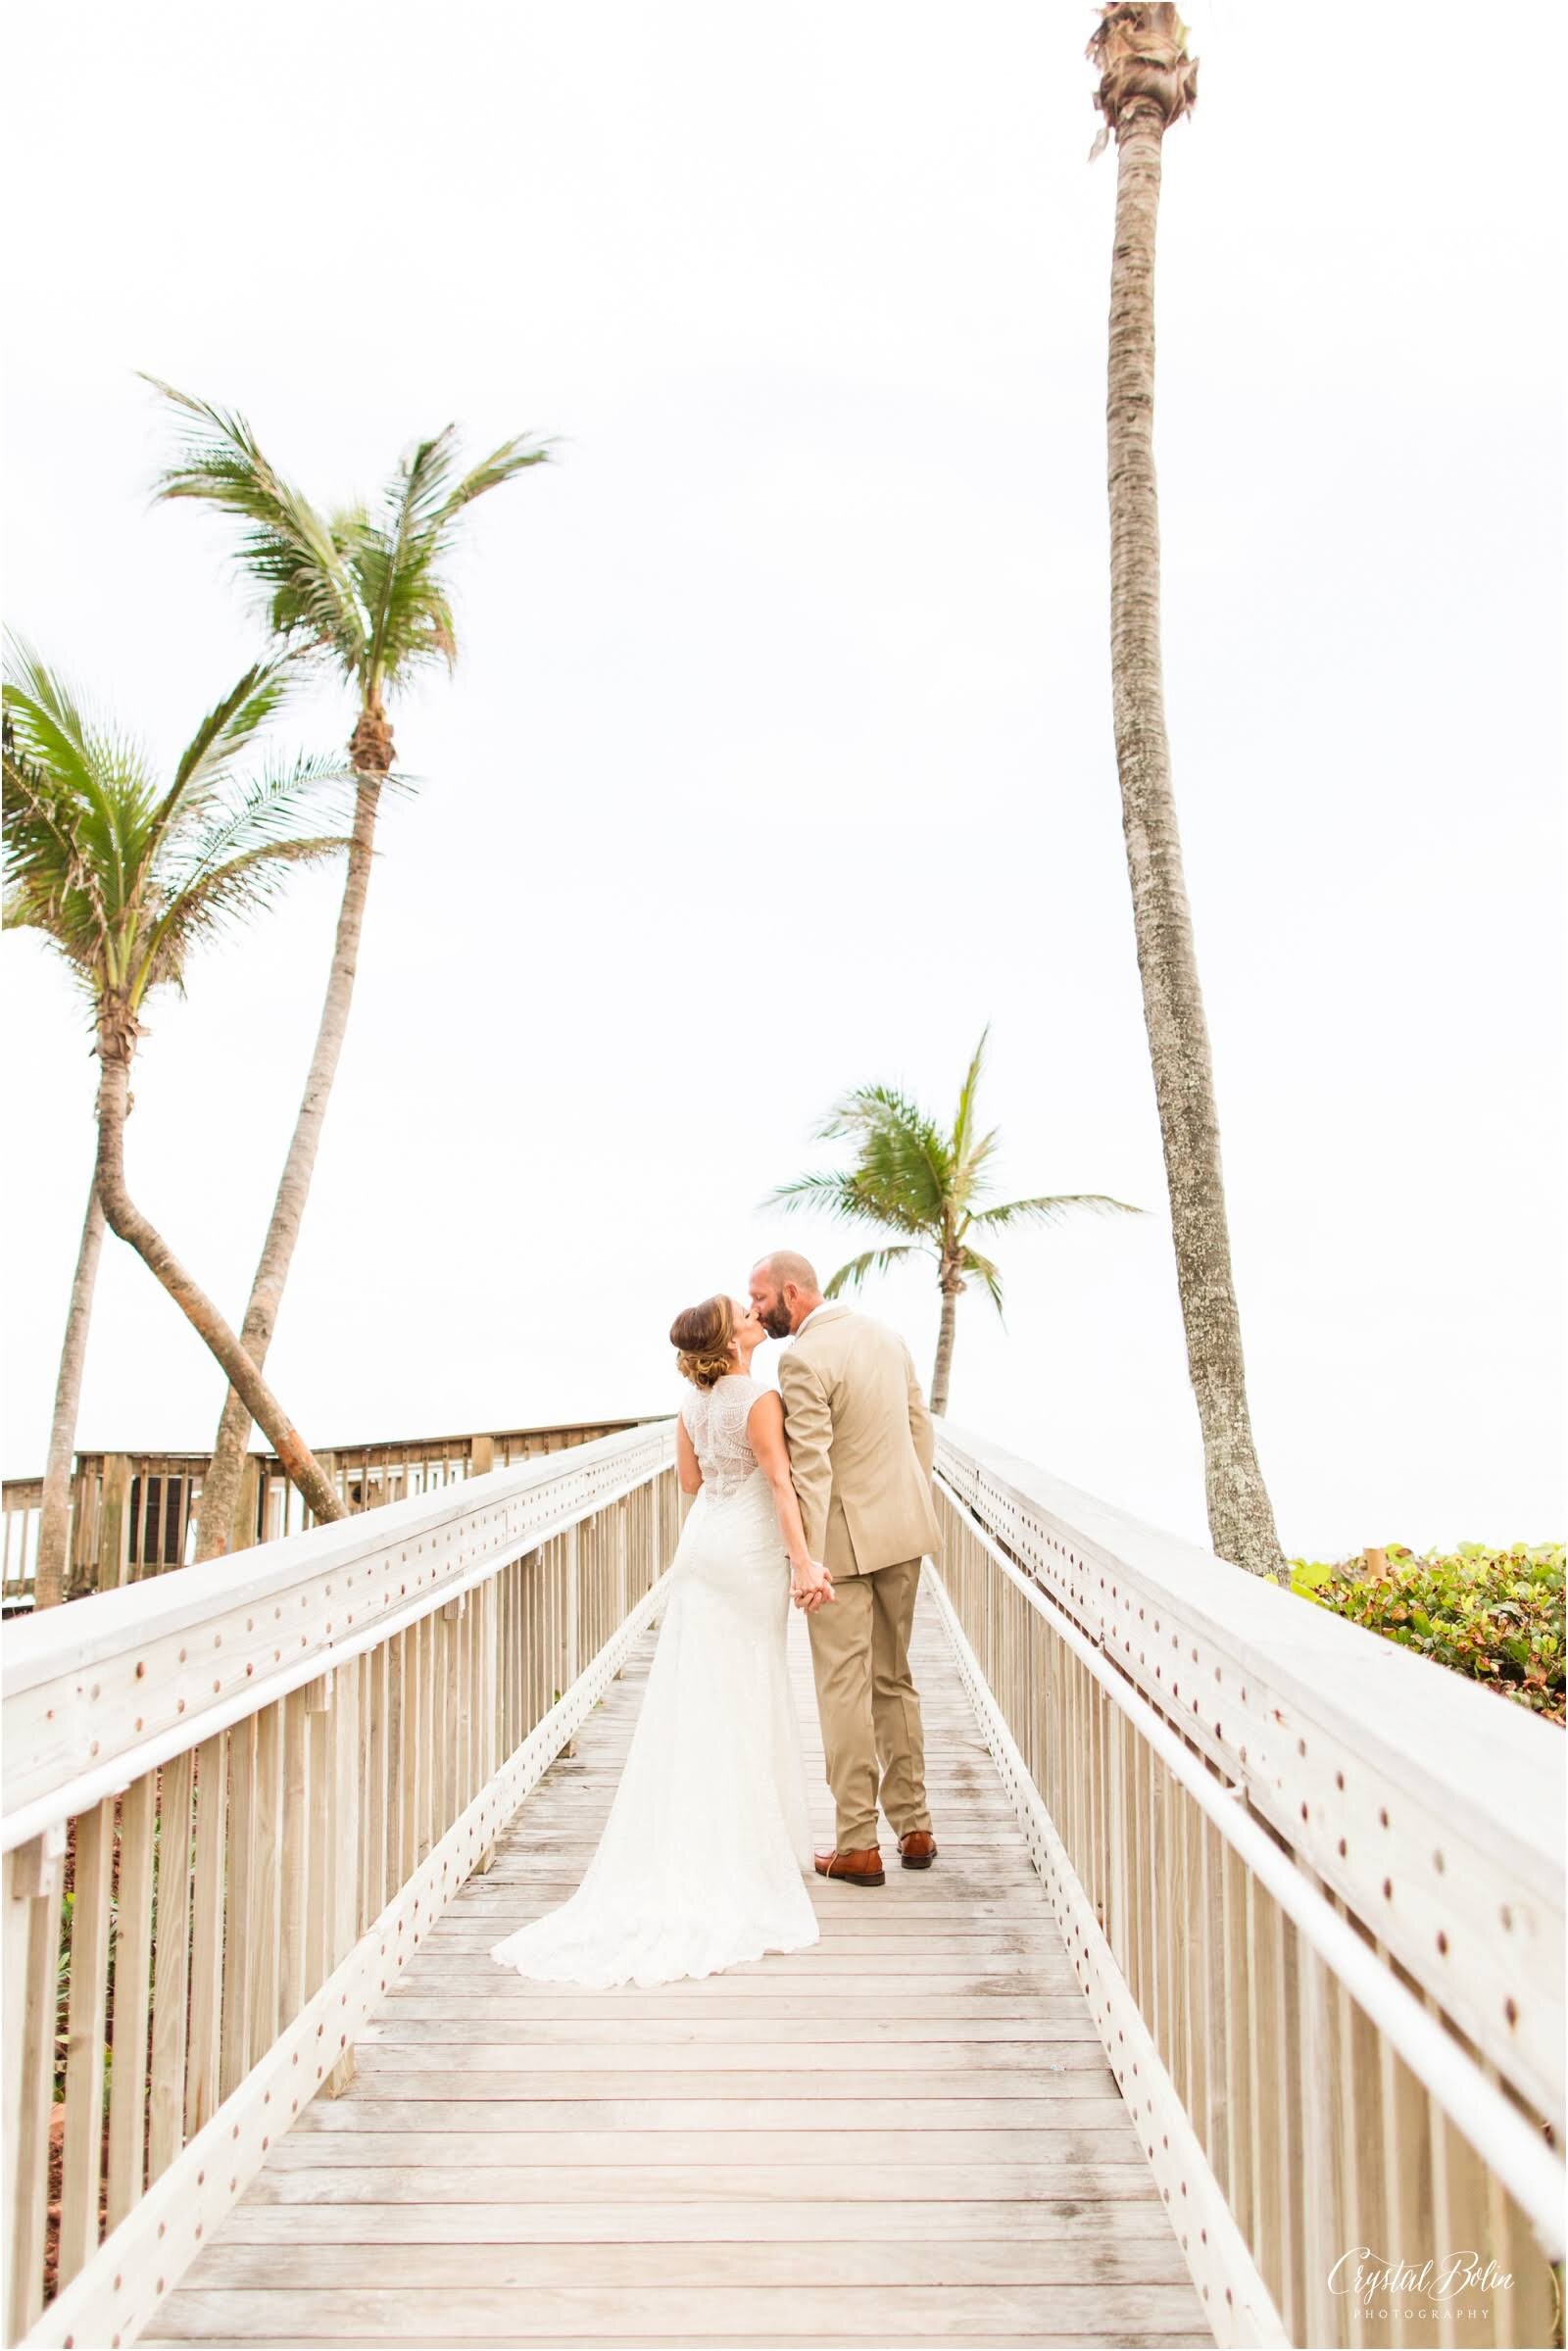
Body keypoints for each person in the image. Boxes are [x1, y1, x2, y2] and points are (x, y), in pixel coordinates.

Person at [491, 1293, 828, 1987]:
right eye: (741, 1312)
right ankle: (742, 1851)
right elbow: (781, 1482)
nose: (750, 1317)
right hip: (748, 1554)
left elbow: (690, 1480)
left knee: (701, 1698)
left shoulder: (690, 1407)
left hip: (702, 1546)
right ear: (729, 1339)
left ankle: (702, 1839)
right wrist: (804, 1563)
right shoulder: (759, 1401)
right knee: (749, 1690)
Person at [750, 1249, 943, 1889]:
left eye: (761, 1298)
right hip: (905, 1528)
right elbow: (920, 1429)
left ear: (793, 1291)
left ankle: (859, 1842)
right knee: (895, 1676)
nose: (755, 1309)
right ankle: (915, 1824)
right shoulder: (888, 1338)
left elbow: (813, 1464)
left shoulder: (802, 1358)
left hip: (844, 1547)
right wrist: (909, 1501)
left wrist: (807, 1559)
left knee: (843, 1688)